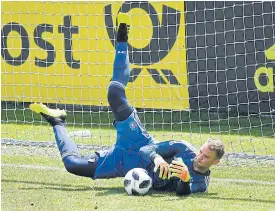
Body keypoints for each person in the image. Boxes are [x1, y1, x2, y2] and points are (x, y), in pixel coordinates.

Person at [29, 12, 225, 195]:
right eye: (201, 151)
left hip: (122, 163)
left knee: (72, 165)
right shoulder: (183, 148)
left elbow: (184, 191)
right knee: (114, 93)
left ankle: (58, 122)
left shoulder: (201, 183)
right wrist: (157, 158)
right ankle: (122, 38)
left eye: (206, 157)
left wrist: (184, 177)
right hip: (136, 141)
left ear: (215, 163)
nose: (199, 157)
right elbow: (147, 149)